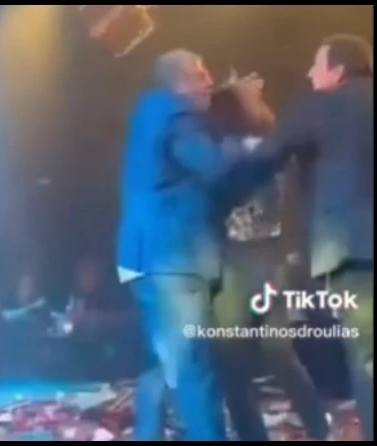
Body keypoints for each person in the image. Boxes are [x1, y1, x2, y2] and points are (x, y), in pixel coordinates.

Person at [254, 34, 374, 441]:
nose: (309, 73)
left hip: (356, 254)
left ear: (337, 71)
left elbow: (268, 155)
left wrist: (213, 180)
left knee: (368, 358)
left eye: (316, 65)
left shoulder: (323, 105)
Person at [116, 49, 234, 440]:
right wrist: (252, 146)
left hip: (145, 254)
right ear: (179, 81)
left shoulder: (150, 114)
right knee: (193, 366)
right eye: (201, 74)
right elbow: (215, 167)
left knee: (167, 360)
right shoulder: (175, 116)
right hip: (170, 257)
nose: (210, 81)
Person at [207, 73, 330, 440]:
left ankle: (254, 434)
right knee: (278, 351)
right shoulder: (273, 146)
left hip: (239, 260)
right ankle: (319, 427)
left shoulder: (226, 152)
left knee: (232, 360)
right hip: (272, 257)